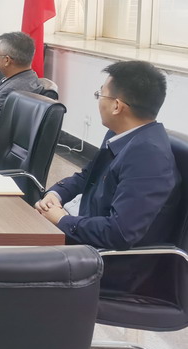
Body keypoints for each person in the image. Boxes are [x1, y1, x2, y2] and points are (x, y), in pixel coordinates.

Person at [35, 61, 179, 254]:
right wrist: (56, 194)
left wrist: (62, 220)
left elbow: (119, 233)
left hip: (103, 258)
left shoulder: (149, 157)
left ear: (117, 106)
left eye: (100, 94)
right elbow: (87, 176)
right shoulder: (119, 133)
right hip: (84, 230)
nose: (98, 100)